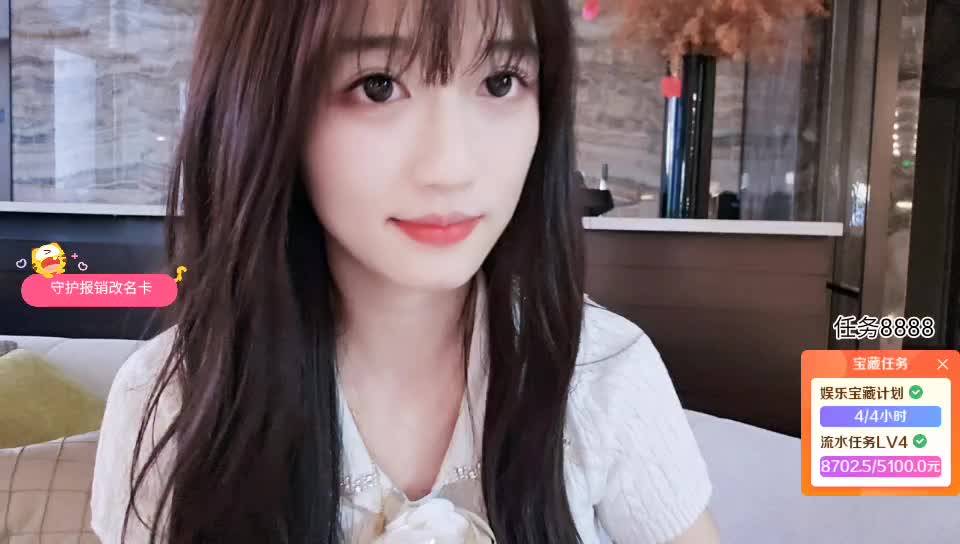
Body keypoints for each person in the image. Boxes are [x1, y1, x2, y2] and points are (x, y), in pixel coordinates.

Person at [90, 1, 719, 542]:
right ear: (263, 105)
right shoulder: (172, 402)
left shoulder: (602, 373)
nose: (451, 167)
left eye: (501, 82)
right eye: (378, 86)